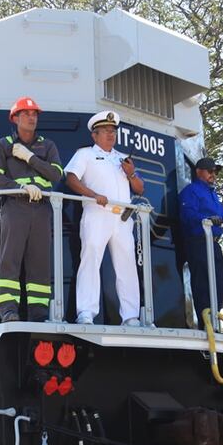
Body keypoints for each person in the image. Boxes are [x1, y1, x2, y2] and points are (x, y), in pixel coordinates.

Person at [0, 96, 64, 323]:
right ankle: (9, 311)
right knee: (10, 260)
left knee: (40, 264)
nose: (31, 118)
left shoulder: (47, 145)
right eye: (26, 114)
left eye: (34, 114)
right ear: (15, 118)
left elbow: (56, 175)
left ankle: (38, 315)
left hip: (41, 210)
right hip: (14, 207)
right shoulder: (2, 145)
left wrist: (30, 158)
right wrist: (20, 187)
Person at [64, 110, 145, 326]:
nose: (111, 135)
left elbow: (140, 189)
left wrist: (131, 173)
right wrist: (93, 195)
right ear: (94, 135)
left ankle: (130, 316)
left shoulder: (122, 159)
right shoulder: (85, 154)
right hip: (96, 212)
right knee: (90, 260)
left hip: (122, 218)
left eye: (113, 131)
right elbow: (71, 178)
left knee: (126, 264)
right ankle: (86, 313)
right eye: (106, 131)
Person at [178, 157, 223, 328]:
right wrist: (206, 219)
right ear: (199, 172)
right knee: (203, 284)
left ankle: (213, 320)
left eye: (215, 171)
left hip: (213, 244)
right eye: (210, 171)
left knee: (219, 284)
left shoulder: (213, 194)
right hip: (198, 242)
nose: (214, 174)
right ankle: (205, 323)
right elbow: (187, 215)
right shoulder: (191, 191)